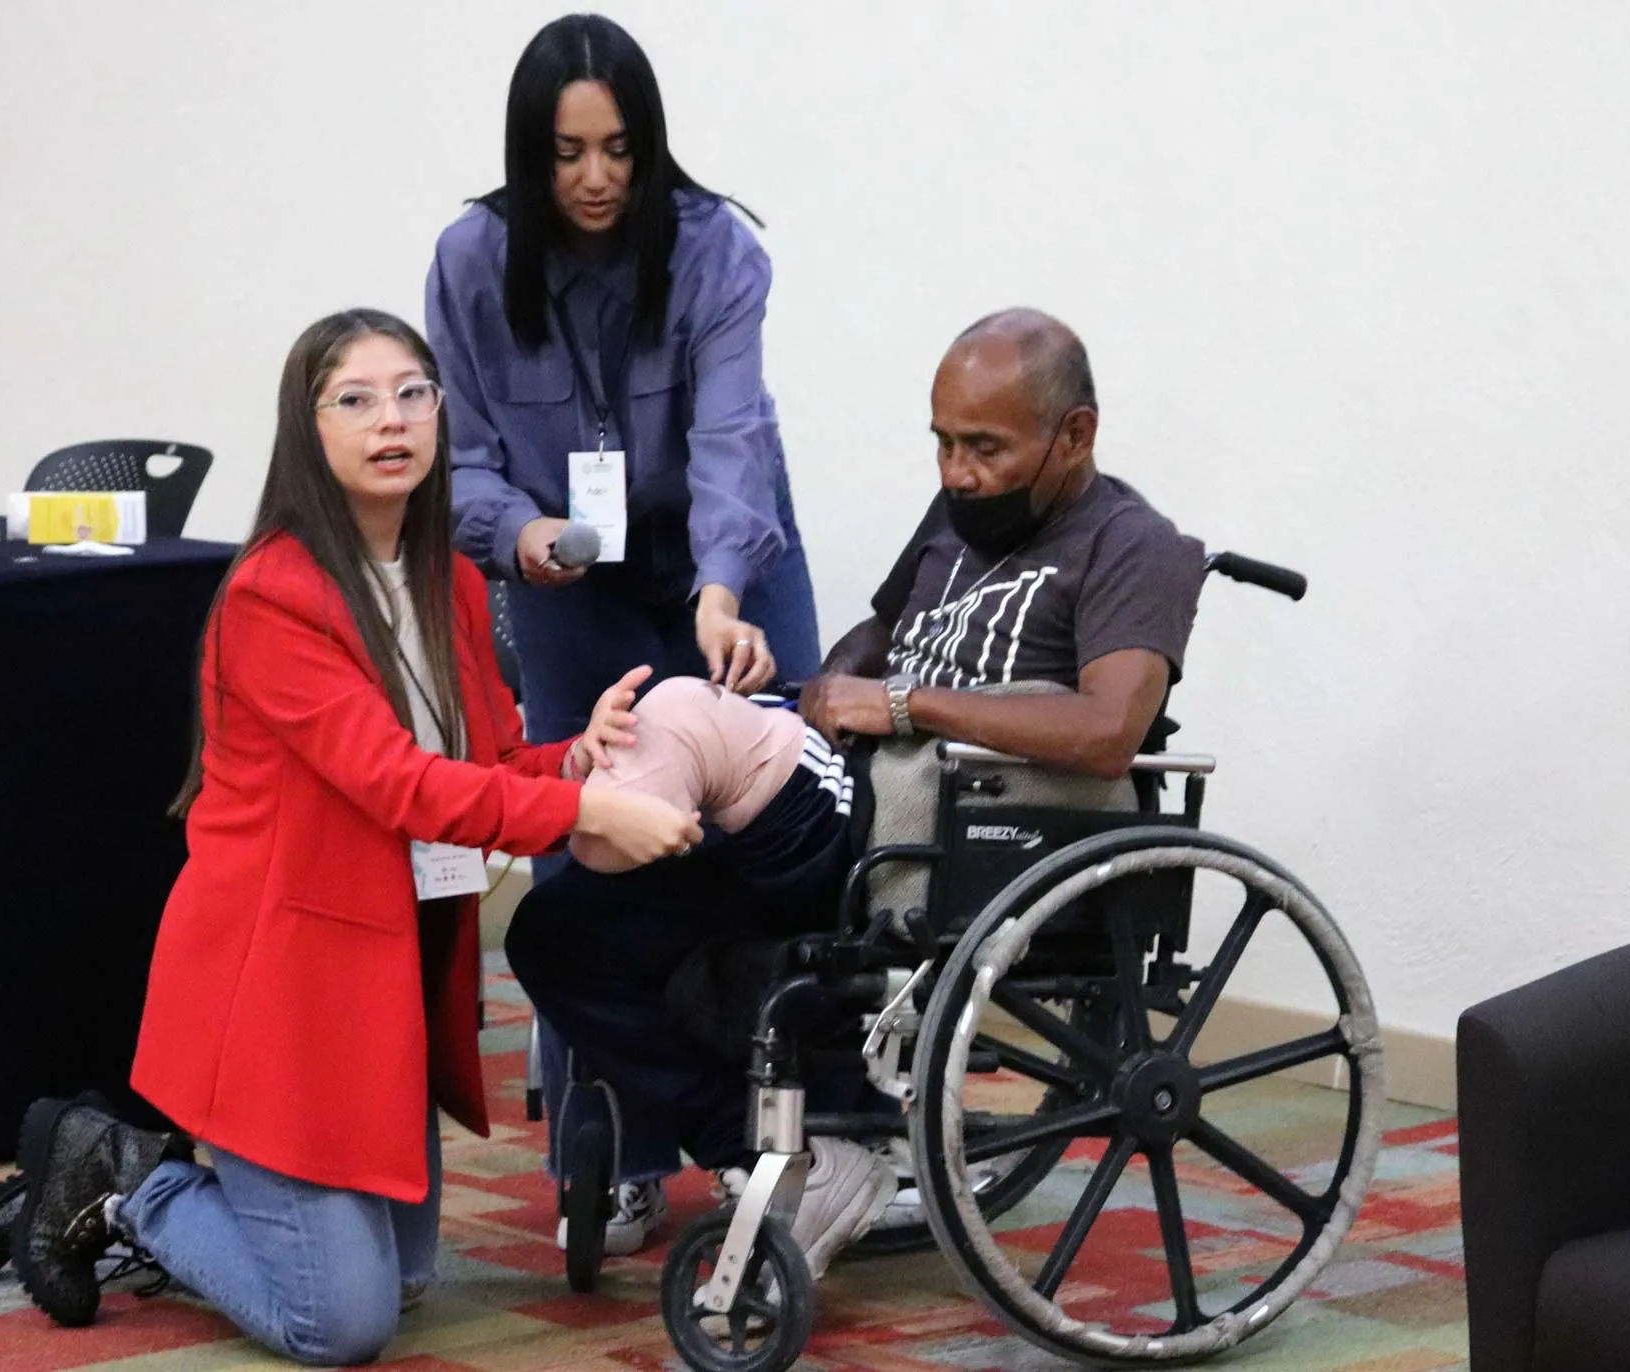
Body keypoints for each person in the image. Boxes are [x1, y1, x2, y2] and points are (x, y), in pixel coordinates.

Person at [4, 308, 702, 1367]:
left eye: (414, 393)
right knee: (340, 1322)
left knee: (407, 1279)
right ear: (308, 428)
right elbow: (399, 786)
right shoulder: (273, 595)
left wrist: (571, 761)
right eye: (357, 399)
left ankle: (197, 1196)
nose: (393, 419)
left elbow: (479, 762)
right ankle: (126, 1174)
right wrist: (587, 813)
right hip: (279, 989)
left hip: (385, 980)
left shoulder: (453, 583)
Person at [505, 306, 1209, 1276]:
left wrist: (906, 704)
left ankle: (608, 788)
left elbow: (1107, 730)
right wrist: (820, 693)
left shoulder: (1135, 546)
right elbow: (873, 641)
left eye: (985, 448)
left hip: (929, 828)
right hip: (847, 798)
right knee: (559, 930)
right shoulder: (957, 516)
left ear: (1074, 434)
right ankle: (774, 1150)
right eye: (944, 443)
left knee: (675, 716)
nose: (957, 471)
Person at [426, 12, 823, 1254]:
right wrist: (518, 536)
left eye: (618, 150)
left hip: (728, 555)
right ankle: (626, 1151)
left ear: (651, 148)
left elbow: (731, 437)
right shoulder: (471, 260)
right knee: (586, 838)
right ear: (529, 157)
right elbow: (466, 459)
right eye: (566, 153)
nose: (596, 179)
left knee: (784, 834)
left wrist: (720, 590)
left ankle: (816, 1135)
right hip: (569, 578)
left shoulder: (716, 251)